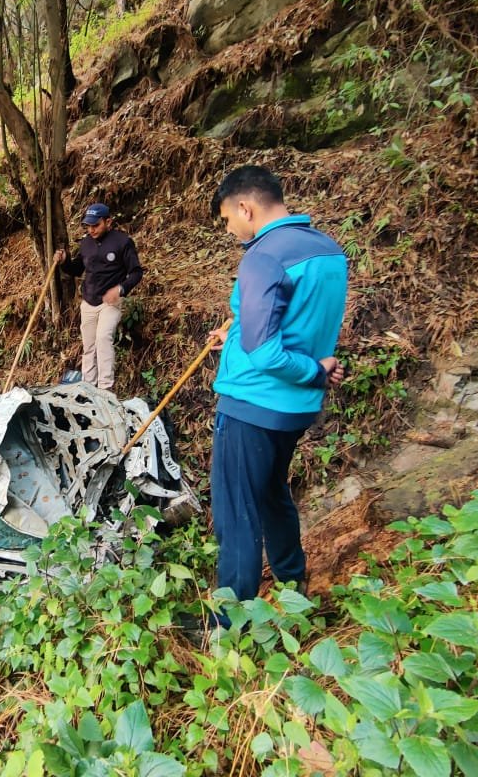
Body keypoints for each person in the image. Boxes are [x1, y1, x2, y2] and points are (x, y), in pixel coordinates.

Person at [206, 165, 347, 617]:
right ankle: (293, 586)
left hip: (253, 402)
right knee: (271, 494)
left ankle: (231, 623)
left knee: (237, 514)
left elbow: (265, 352)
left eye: (229, 220)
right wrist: (236, 330)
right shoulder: (327, 251)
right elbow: (297, 321)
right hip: (293, 409)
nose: (231, 230)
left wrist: (311, 370)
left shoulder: (264, 256)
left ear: (246, 207)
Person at [54, 203, 143, 392]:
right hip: (88, 301)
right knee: (89, 346)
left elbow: (136, 273)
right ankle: (88, 387)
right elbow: (77, 268)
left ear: (108, 221)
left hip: (110, 302)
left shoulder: (122, 242)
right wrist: (64, 262)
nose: (91, 229)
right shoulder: (86, 242)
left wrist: (120, 289)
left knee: (103, 338)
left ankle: (105, 389)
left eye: (96, 225)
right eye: (88, 226)